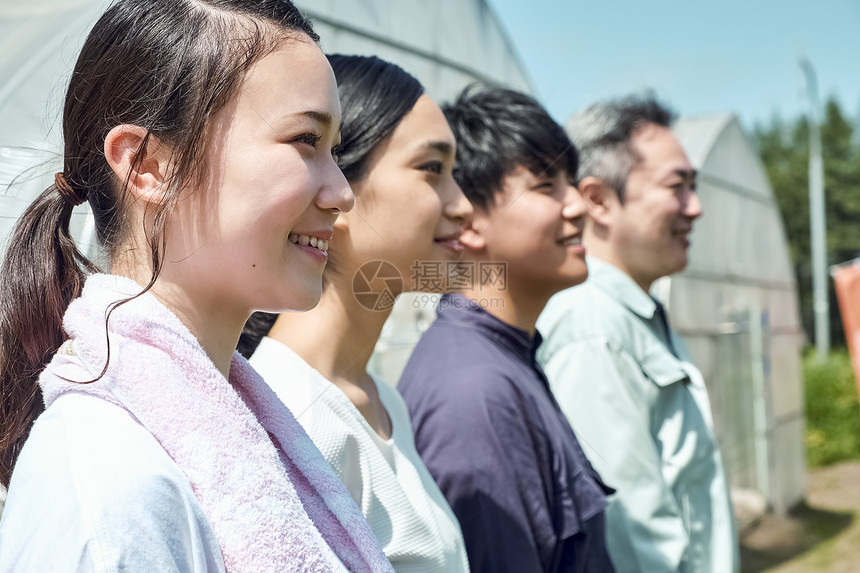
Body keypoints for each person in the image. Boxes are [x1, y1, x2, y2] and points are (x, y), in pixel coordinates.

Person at [0, 2, 393, 572]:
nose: (340, 193)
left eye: (334, 150)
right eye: (306, 140)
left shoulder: (228, 437)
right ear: (149, 167)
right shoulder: (109, 484)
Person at [238, 55, 472, 572]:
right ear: (340, 189)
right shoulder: (295, 415)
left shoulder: (383, 399)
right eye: (433, 169)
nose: (462, 206)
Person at [398, 85, 615, 573]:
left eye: (571, 181)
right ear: (469, 218)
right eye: (546, 186)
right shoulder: (474, 394)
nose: (578, 205)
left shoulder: (504, 358)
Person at [536, 94, 739, 572]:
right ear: (598, 200)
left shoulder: (631, 315)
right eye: (678, 186)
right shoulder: (592, 326)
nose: (696, 208)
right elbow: (631, 535)